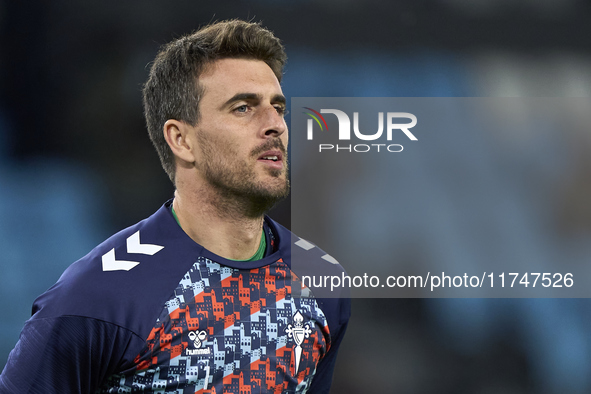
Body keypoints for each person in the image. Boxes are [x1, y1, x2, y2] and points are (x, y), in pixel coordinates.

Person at [0, 20, 350, 393]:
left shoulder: (321, 281)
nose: (274, 125)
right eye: (243, 108)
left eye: (278, 108)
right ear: (181, 140)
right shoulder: (98, 295)